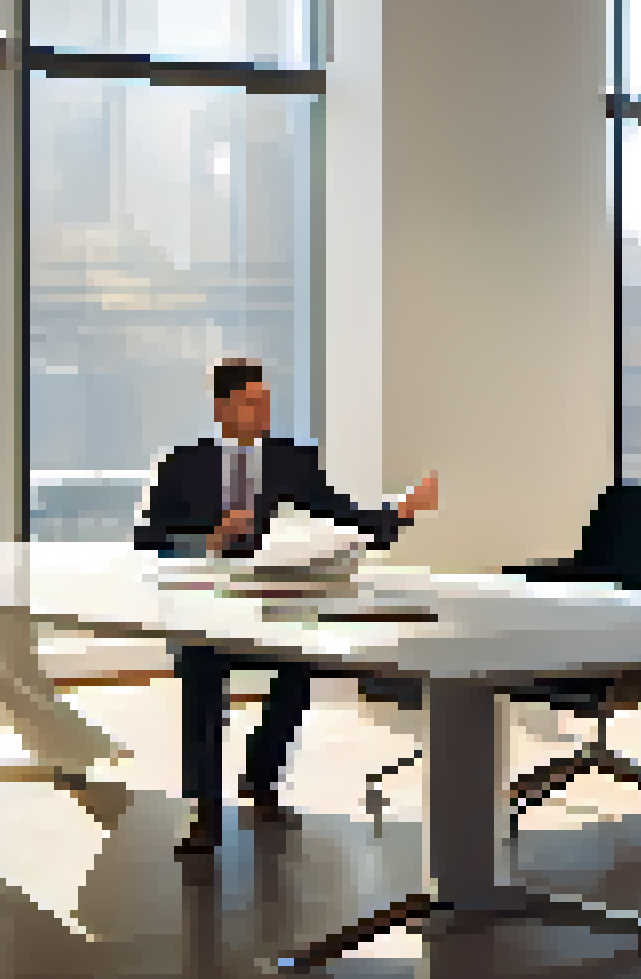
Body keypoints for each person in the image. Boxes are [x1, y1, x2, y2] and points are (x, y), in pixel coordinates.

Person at [135, 358, 440, 855]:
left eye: (267, 400)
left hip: (276, 601)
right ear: (222, 408)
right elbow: (148, 540)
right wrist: (208, 540)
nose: (264, 411)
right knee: (201, 672)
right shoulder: (180, 465)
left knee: (302, 664)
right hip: (206, 605)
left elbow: (345, 517)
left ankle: (261, 774)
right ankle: (204, 809)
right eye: (252, 402)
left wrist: (400, 510)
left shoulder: (292, 460)